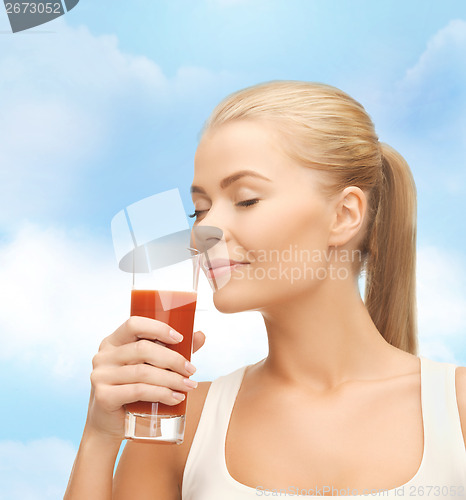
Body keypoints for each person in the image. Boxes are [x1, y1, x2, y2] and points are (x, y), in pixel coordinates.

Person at [65, 81, 466, 499]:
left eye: (246, 199)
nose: (201, 230)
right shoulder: (179, 422)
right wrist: (99, 436)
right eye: (199, 209)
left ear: (345, 215)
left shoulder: (457, 413)